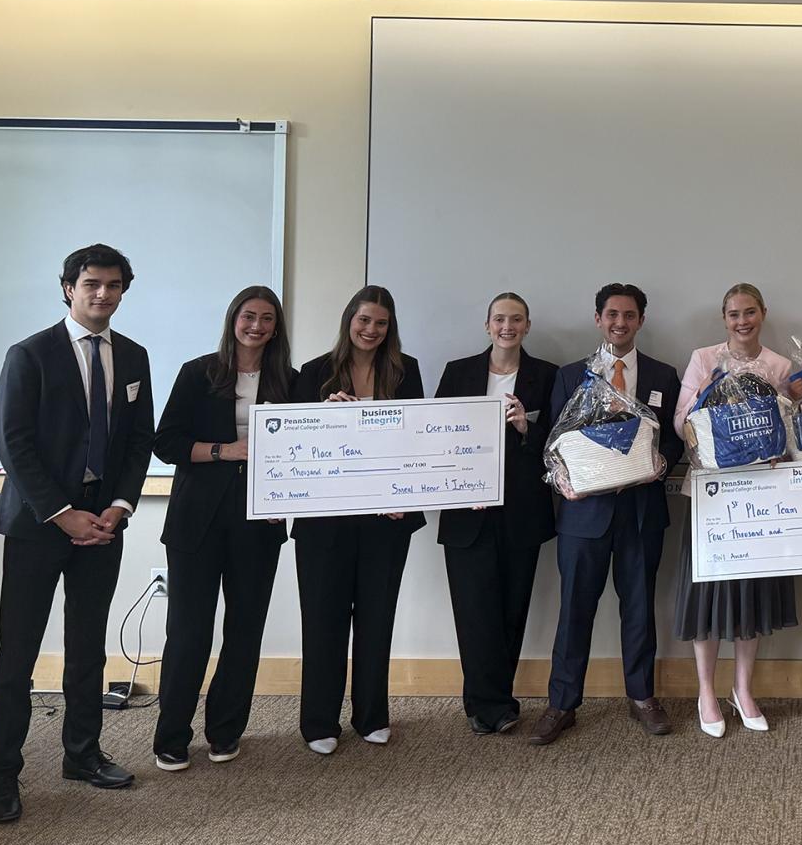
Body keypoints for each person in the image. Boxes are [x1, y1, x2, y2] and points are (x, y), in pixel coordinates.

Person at [0, 244, 154, 825]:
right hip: (40, 525)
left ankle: (82, 755)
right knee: (18, 655)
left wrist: (117, 506)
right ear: (68, 288)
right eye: (91, 284)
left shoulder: (133, 358)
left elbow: (139, 444)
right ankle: (1, 774)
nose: (103, 294)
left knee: (87, 648)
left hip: (104, 524)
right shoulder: (29, 354)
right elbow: (13, 443)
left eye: (113, 285)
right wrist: (62, 514)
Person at [530, 283, 682, 746]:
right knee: (575, 610)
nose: (620, 322)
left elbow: (677, 438)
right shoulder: (570, 375)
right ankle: (561, 703)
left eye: (630, 315)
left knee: (639, 608)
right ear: (598, 318)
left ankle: (642, 697)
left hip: (641, 514)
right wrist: (562, 481)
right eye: (612, 314)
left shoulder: (663, 374)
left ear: (641, 320)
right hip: (583, 516)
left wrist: (663, 461)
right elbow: (553, 444)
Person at [151, 286, 295, 771]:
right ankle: (171, 736)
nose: (256, 326)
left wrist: (289, 499)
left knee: (244, 631)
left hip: (260, 521)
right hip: (196, 520)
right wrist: (225, 450)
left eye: (267, 319)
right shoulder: (199, 372)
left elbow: (305, 455)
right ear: (234, 319)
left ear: (277, 328)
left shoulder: (290, 381)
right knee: (189, 632)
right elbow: (166, 443)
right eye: (249, 316)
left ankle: (225, 731)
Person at [291, 285, 425, 755]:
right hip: (324, 523)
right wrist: (319, 417)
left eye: (381, 323)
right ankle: (318, 722)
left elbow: (417, 443)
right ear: (349, 320)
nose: (371, 330)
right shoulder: (312, 374)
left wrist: (406, 495)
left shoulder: (406, 373)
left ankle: (372, 715)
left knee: (376, 618)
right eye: (364, 320)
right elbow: (293, 448)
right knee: (323, 620)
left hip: (387, 520)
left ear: (391, 329)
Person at [673, 283, 798, 738]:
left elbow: (789, 431)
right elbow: (680, 422)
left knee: (751, 593)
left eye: (749, 312)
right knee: (707, 593)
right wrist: (706, 391)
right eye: (733, 314)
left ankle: (743, 690)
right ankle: (706, 691)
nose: (742, 321)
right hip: (711, 495)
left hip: (761, 496)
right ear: (723, 318)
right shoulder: (703, 359)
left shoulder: (781, 366)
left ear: (763, 313)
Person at [435, 293, 556, 736]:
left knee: (511, 609)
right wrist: (462, 484)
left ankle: (495, 701)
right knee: (474, 610)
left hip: (521, 512)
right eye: (500, 319)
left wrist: (527, 427)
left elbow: (559, 443)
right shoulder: (458, 371)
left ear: (527, 326)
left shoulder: (547, 375)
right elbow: (437, 436)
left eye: (517, 319)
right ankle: (487, 704)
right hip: (467, 511)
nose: (508, 326)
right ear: (487, 325)